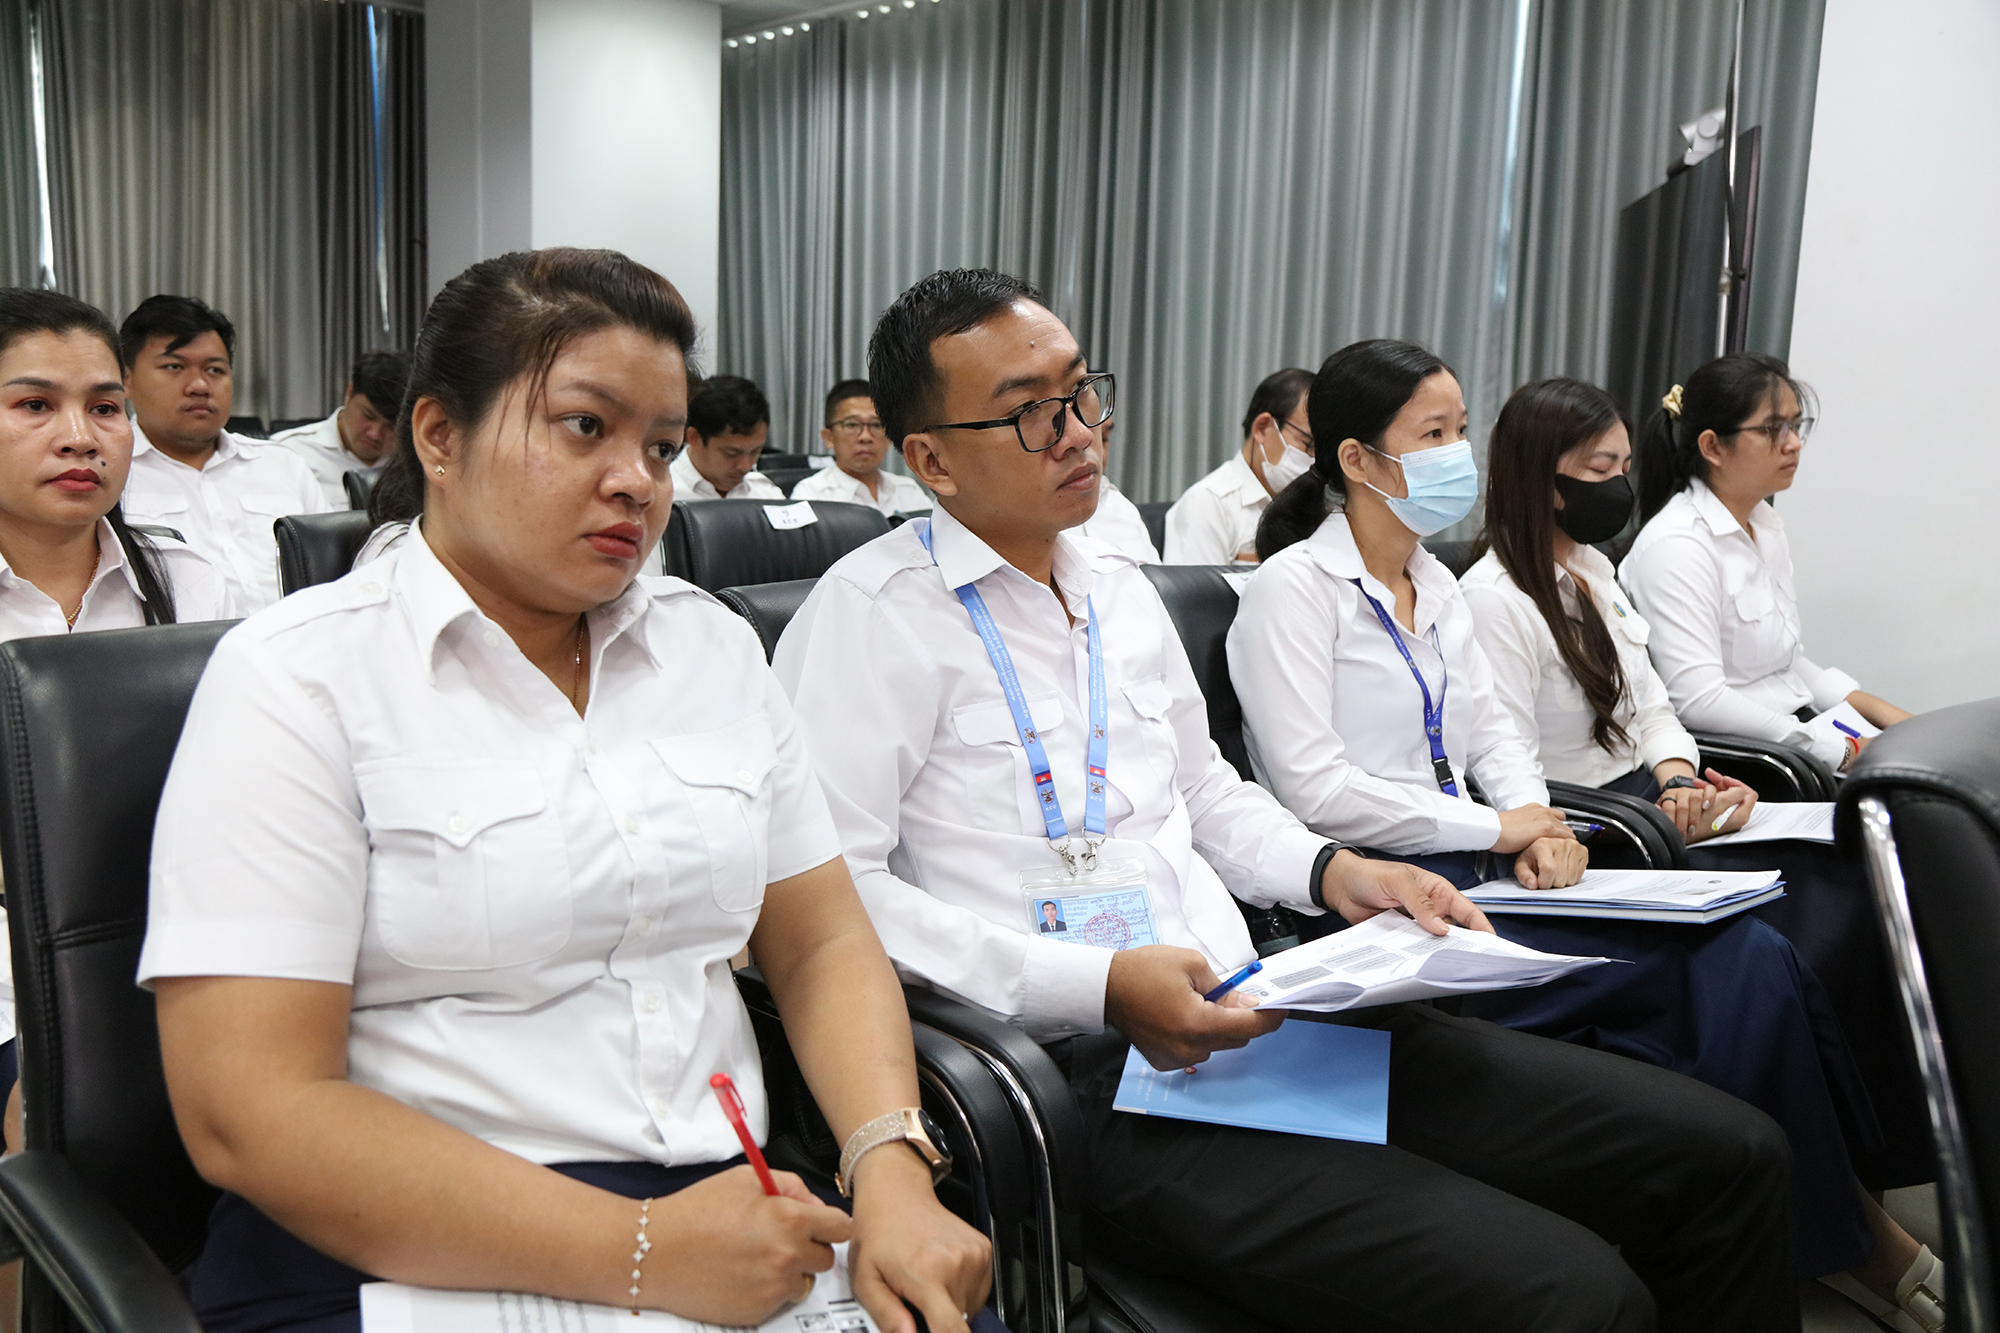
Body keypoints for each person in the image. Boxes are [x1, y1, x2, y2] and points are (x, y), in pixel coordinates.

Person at [776, 268, 1796, 1333]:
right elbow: (834, 902)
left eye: (1082, 393)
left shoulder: (1116, 588)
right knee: (1578, 1296)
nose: (1079, 431)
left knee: (1731, 1158)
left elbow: (1208, 792)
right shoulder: (870, 618)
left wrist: (1334, 870)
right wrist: (1098, 983)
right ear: (931, 458)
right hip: (1086, 1078)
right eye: (1030, 412)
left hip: (1267, 1013)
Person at [139, 249, 994, 1333]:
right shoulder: (297, 677)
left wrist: (890, 1168)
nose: (637, 480)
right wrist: (641, 1252)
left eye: (662, 446)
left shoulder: (711, 649)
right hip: (396, 1239)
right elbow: (251, 1111)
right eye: (585, 426)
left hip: (726, 1206)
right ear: (439, 435)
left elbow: (821, 940)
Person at [1232, 338, 1909, 1302]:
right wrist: (1498, 830)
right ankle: (1831, 1239)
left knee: (1749, 952)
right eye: (1432, 434)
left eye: (1461, 430)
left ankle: (1821, 1219)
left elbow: (1494, 739)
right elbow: (1316, 790)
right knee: (1725, 971)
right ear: (1356, 459)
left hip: (1484, 875)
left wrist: (1538, 818)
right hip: (1380, 901)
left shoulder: (1435, 585)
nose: (1457, 454)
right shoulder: (1292, 590)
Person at [1460, 375, 1941, 1328]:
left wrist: (1682, 778)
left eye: (1623, 464)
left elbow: (1653, 707)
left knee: (1858, 890)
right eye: (1601, 468)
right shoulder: (1491, 598)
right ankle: (1843, 1229)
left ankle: (1861, 1183)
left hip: (1651, 807)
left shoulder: (1592, 569)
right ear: (1544, 479)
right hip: (1591, 830)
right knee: (1769, 946)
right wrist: (1651, 809)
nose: (1621, 484)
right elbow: (1507, 769)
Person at [0, 285, 234, 1152]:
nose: (80, 437)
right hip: (10, 966)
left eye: (105, 408)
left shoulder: (192, 586)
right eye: (34, 405)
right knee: (52, 1123)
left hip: (176, 924)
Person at [1622, 354, 1912, 772]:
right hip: (1748, 761)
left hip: (1800, 736)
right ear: (1712, 446)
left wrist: (1895, 720)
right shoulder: (1677, 545)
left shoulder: (1763, 523)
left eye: (1795, 426)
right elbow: (1700, 700)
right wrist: (1841, 750)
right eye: (1772, 429)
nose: (1793, 443)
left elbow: (1786, 668)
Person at [117, 295, 330, 612]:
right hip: (180, 644)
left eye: (215, 370)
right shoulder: (111, 476)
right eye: (174, 367)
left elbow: (332, 571)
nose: (200, 386)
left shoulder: (282, 464)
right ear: (125, 380)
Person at [1162, 367, 1314, 564]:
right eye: (1308, 444)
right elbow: (1194, 585)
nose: (1315, 459)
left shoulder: (1315, 504)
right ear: (1262, 428)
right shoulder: (1210, 503)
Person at [270, 350, 413, 508]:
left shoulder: (412, 462)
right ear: (349, 393)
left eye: (391, 426)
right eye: (368, 416)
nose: (375, 434)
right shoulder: (288, 452)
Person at [791, 379, 930, 514]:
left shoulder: (909, 491)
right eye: (852, 424)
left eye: (876, 425)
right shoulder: (811, 495)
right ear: (829, 438)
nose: (866, 437)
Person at [670, 373, 784, 500]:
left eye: (755, 452)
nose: (746, 466)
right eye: (732, 453)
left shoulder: (766, 493)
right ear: (695, 438)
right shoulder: (663, 495)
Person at [1072, 415, 1158, 562]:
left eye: (1103, 439)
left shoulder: (1122, 507)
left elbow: (1156, 575)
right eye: (1079, 441)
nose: (1097, 455)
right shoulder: (1035, 519)